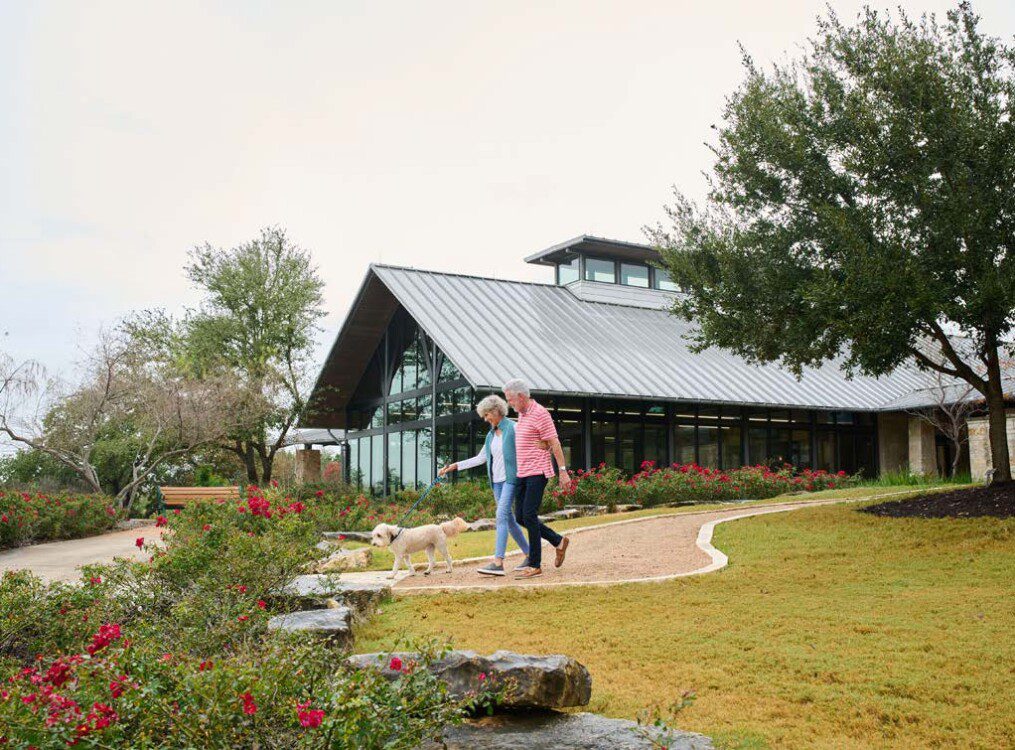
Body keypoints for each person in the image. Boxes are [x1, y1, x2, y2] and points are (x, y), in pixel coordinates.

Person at [438, 394, 529, 576]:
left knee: (501, 515)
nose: (485, 418)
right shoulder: (490, 436)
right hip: (496, 483)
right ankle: (530, 554)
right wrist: (455, 466)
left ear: (496, 411)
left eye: (487, 414)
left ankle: (498, 562)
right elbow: (481, 458)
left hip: (511, 480)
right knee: (509, 521)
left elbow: (531, 446)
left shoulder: (515, 428)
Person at [502, 378, 572, 579]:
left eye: (511, 400)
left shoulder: (540, 413)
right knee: (520, 517)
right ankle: (558, 541)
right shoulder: (523, 414)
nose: (510, 404)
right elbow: (533, 439)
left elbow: (555, 442)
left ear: (521, 397)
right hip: (523, 472)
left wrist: (563, 471)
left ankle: (535, 564)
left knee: (529, 515)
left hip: (537, 472)